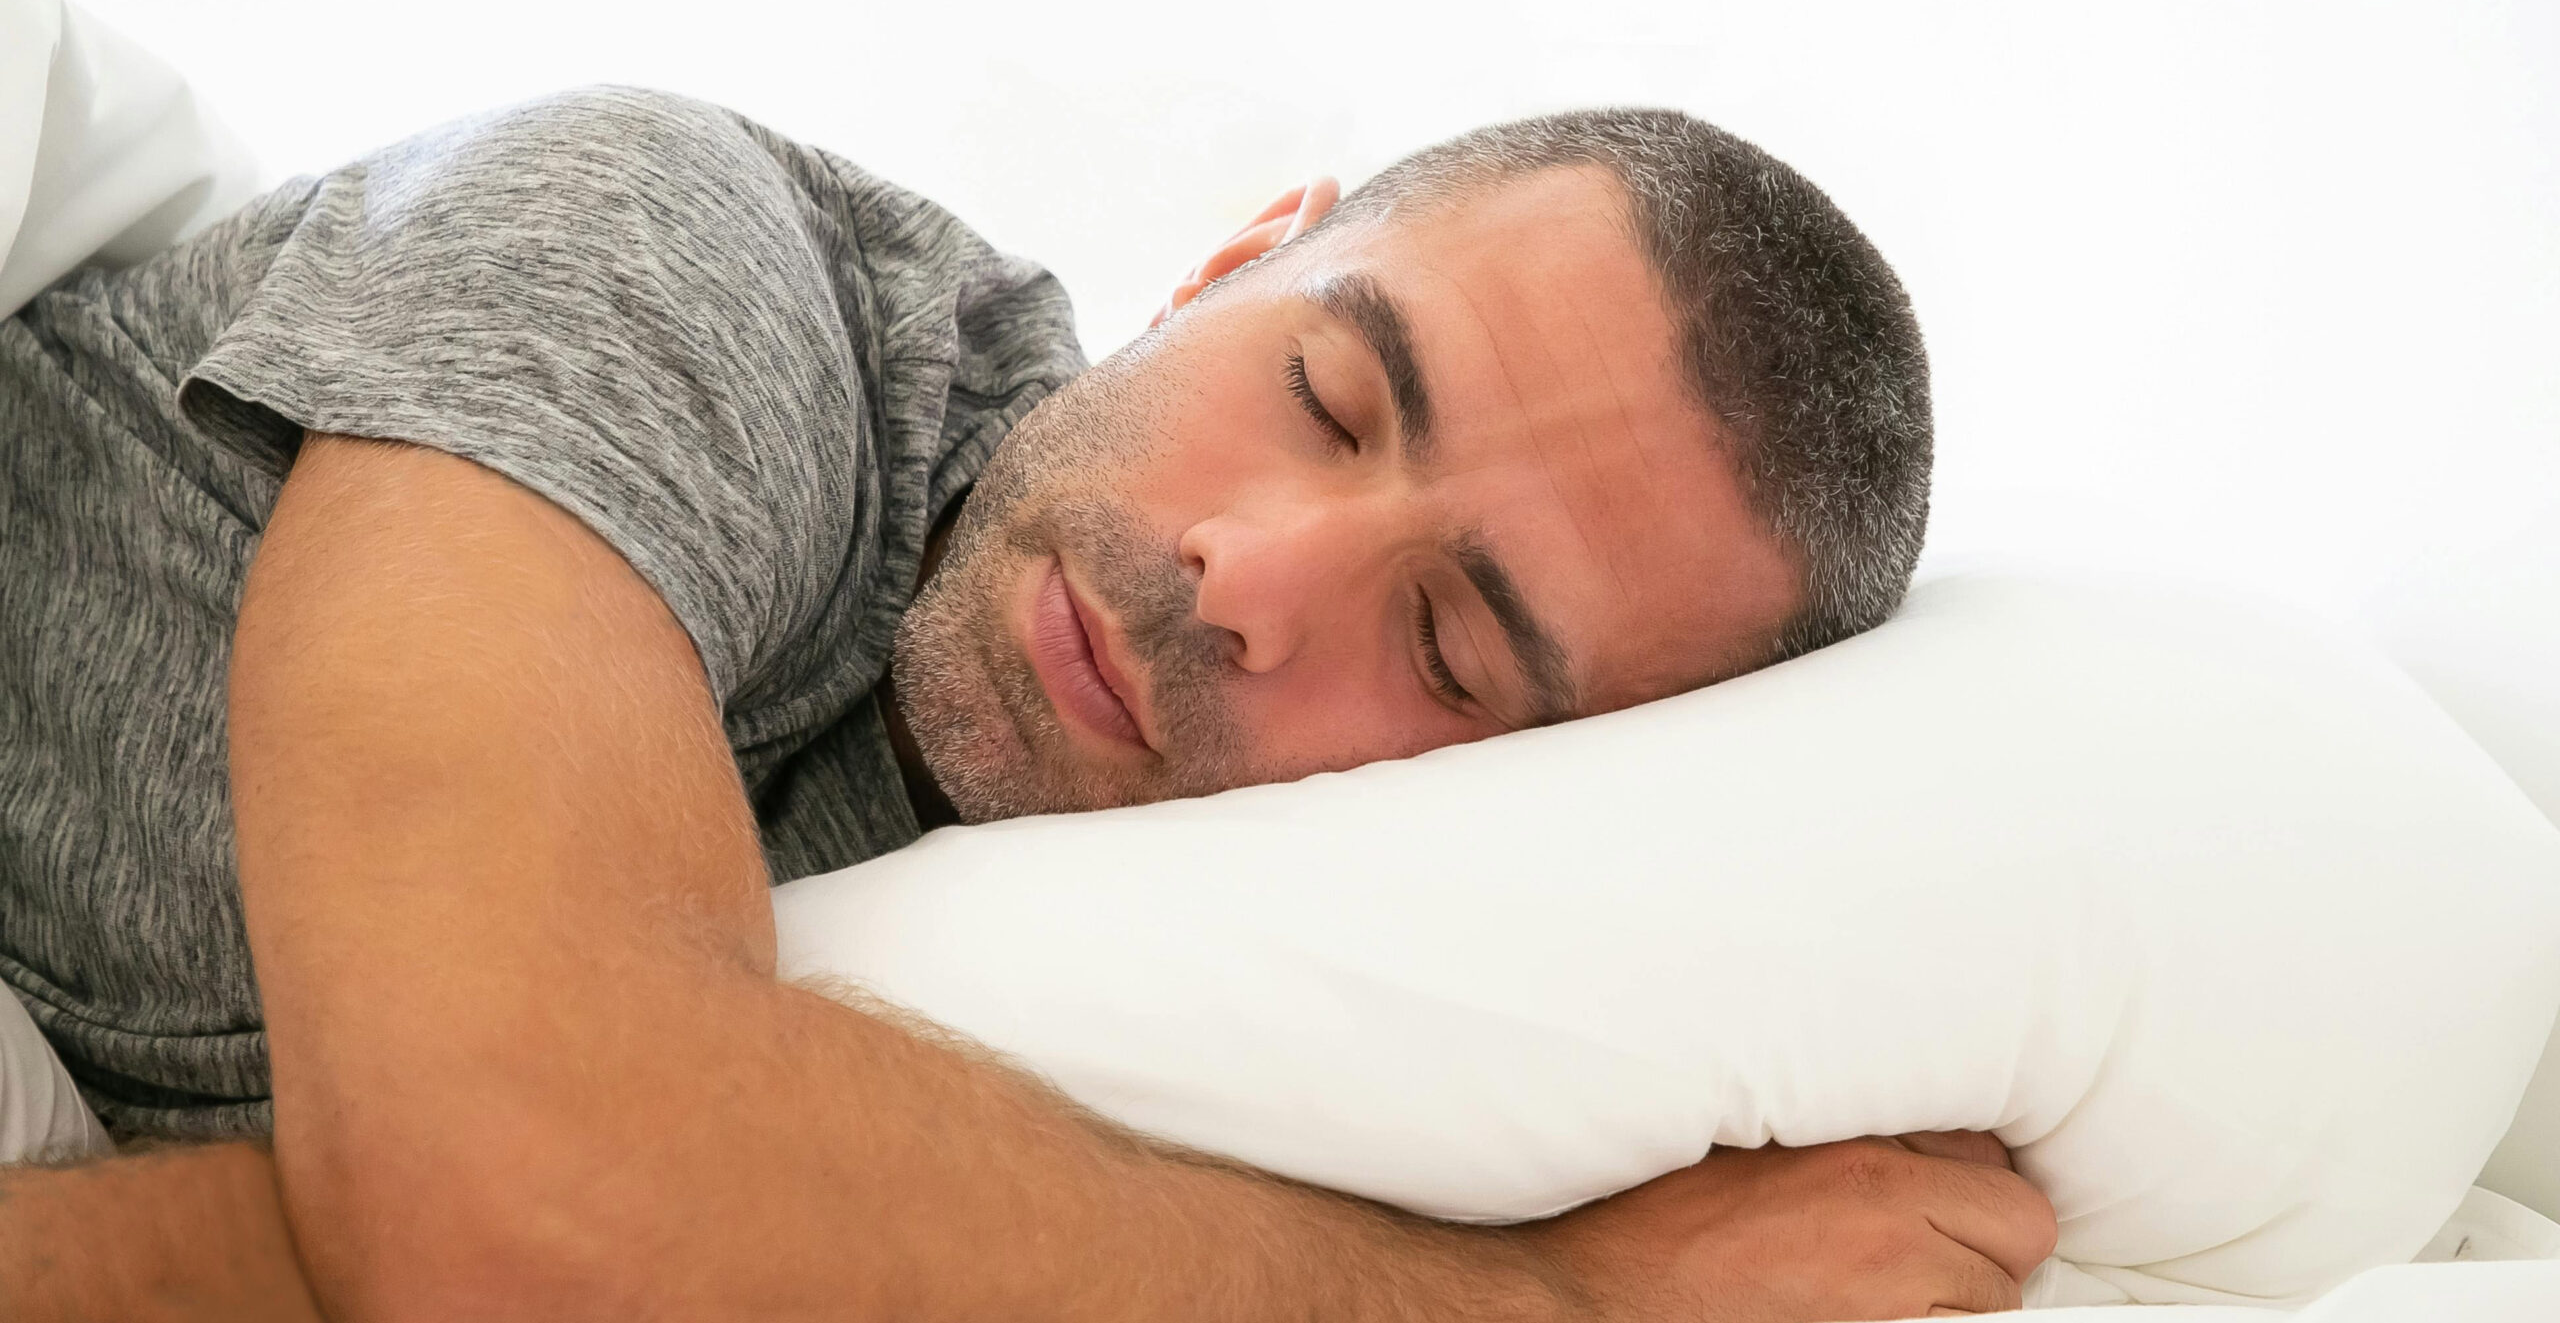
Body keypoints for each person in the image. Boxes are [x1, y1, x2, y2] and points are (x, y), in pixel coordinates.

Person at [0, 85, 2047, 1319]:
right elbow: (524, 1232)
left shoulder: (1250, 1022)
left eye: (1441, 646)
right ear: (1241, 256)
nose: (1243, 577)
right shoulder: (683, 264)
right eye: (1322, 397)